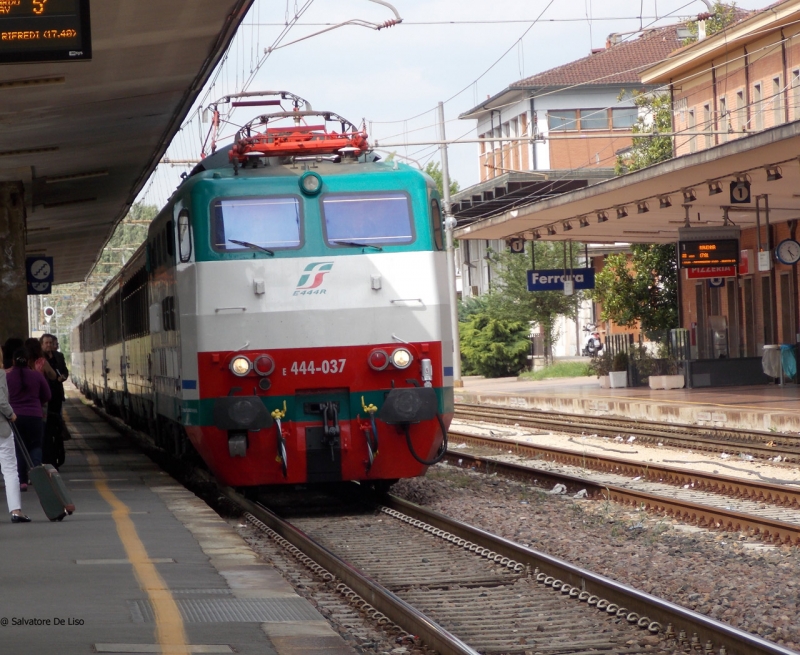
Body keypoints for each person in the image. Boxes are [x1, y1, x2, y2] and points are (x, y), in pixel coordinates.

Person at [6, 347, 50, 491]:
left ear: (13, 361)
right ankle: (36, 475)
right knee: (35, 445)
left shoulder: (7, 377)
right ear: (28, 361)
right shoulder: (37, 376)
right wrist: (37, 403)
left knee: (18, 448)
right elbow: (48, 395)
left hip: (14, 418)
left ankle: (22, 481)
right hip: (35, 416)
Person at [0, 345, 31, 522]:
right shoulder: (0, 373)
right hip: (1, 429)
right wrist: (11, 414)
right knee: (10, 469)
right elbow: (1, 399)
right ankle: (16, 511)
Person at [41, 333, 68, 467]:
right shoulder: (40, 360)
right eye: (46, 343)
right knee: (47, 430)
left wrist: (63, 377)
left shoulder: (59, 356)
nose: (49, 345)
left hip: (56, 396)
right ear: (42, 345)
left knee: (57, 428)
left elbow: (65, 371)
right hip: (45, 398)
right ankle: (50, 458)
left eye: (51, 343)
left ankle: (58, 455)